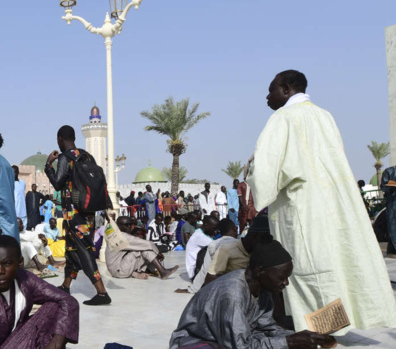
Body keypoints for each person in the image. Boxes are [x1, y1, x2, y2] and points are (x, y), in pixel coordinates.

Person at [246, 69, 396, 331]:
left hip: (302, 208)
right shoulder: (325, 116)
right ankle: (332, 329)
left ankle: (320, 333)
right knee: (332, 265)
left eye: (271, 89)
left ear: (286, 89)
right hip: (334, 206)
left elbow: (266, 169)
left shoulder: (283, 118)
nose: (267, 96)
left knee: (309, 271)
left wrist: (252, 179)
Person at [170, 241, 336, 349]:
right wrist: (288, 342)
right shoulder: (232, 294)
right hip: (196, 342)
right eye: (282, 277)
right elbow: (239, 347)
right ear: (260, 271)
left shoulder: (263, 289)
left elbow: (267, 327)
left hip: (228, 340)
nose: (286, 283)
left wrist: (307, 337)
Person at [0, 235, 79, 348]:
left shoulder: (25, 280)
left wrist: (57, 340)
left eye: (7, 264)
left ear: (20, 263)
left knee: (55, 306)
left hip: (14, 341)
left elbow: (68, 300)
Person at [45, 125, 111, 305]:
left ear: (60, 139)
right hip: (88, 213)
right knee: (72, 251)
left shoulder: (66, 158)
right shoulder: (87, 156)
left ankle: (102, 292)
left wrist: (48, 165)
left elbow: (58, 184)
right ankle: (66, 286)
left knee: (84, 252)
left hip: (74, 215)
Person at [106, 216, 179, 280]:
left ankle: (147, 271)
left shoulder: (114, 234)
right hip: (119, 270)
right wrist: (158, 252)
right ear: (118, 225)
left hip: (116, 269)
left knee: (140, 249)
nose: (129, 226)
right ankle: (162, 271)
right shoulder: (123, 237)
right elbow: (147, 244)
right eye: (126, 225)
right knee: (145, 249)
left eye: (130, 224)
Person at [381, 165, 396, 256]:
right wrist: (392, 187)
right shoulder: (389, 171)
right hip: (393, 204)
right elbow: (383, 186)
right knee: (393, 226)